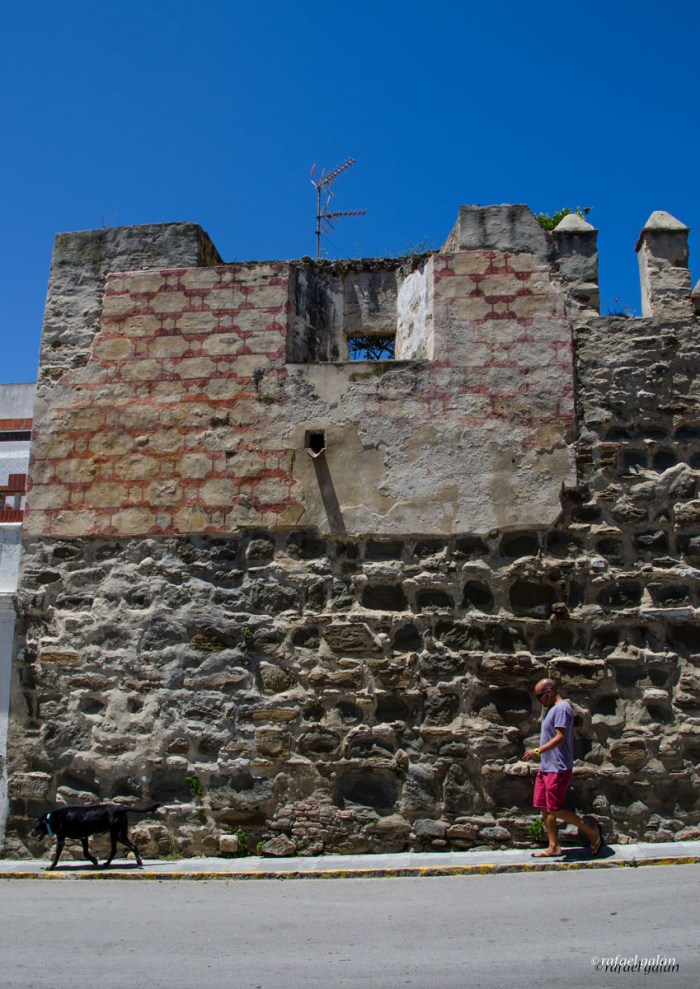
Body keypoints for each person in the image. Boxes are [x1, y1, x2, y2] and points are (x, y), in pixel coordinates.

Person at [523, 677, 603, 858]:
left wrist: (537, 750)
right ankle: (554, 846)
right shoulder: (551, 709)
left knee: (555, 808)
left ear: (549, 693)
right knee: (544, 806)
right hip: (546, 767)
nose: (538, 701)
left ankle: (590, 830)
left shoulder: (562, 708)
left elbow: (560, 737)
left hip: (557, 768)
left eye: (539, 696)